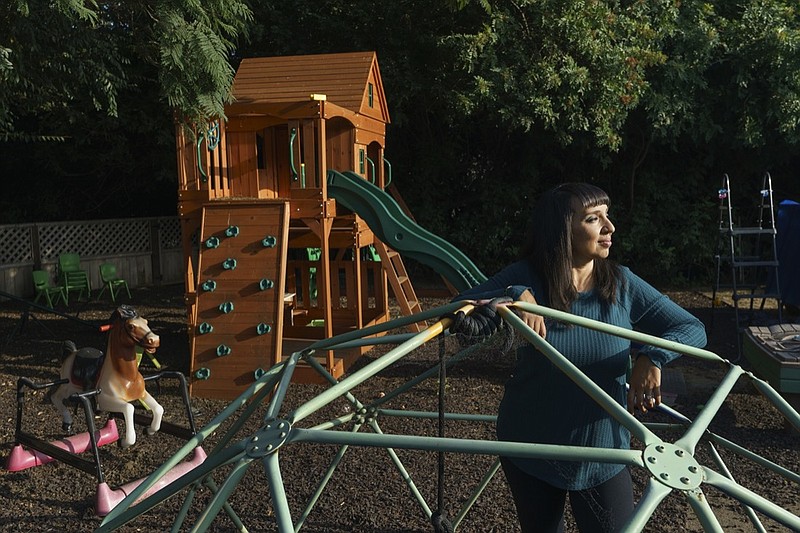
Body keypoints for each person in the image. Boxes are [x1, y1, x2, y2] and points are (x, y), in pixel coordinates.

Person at [446, 182, 707, 532]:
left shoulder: (622, 284)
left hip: (604, 453)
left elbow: (692, 328)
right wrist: (513, 295)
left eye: (607, 215)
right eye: (593, 218)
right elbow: (455, 310)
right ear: (561, 231)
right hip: (531, 446)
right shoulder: (526, 277)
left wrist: (652, 356)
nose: (609, 226)